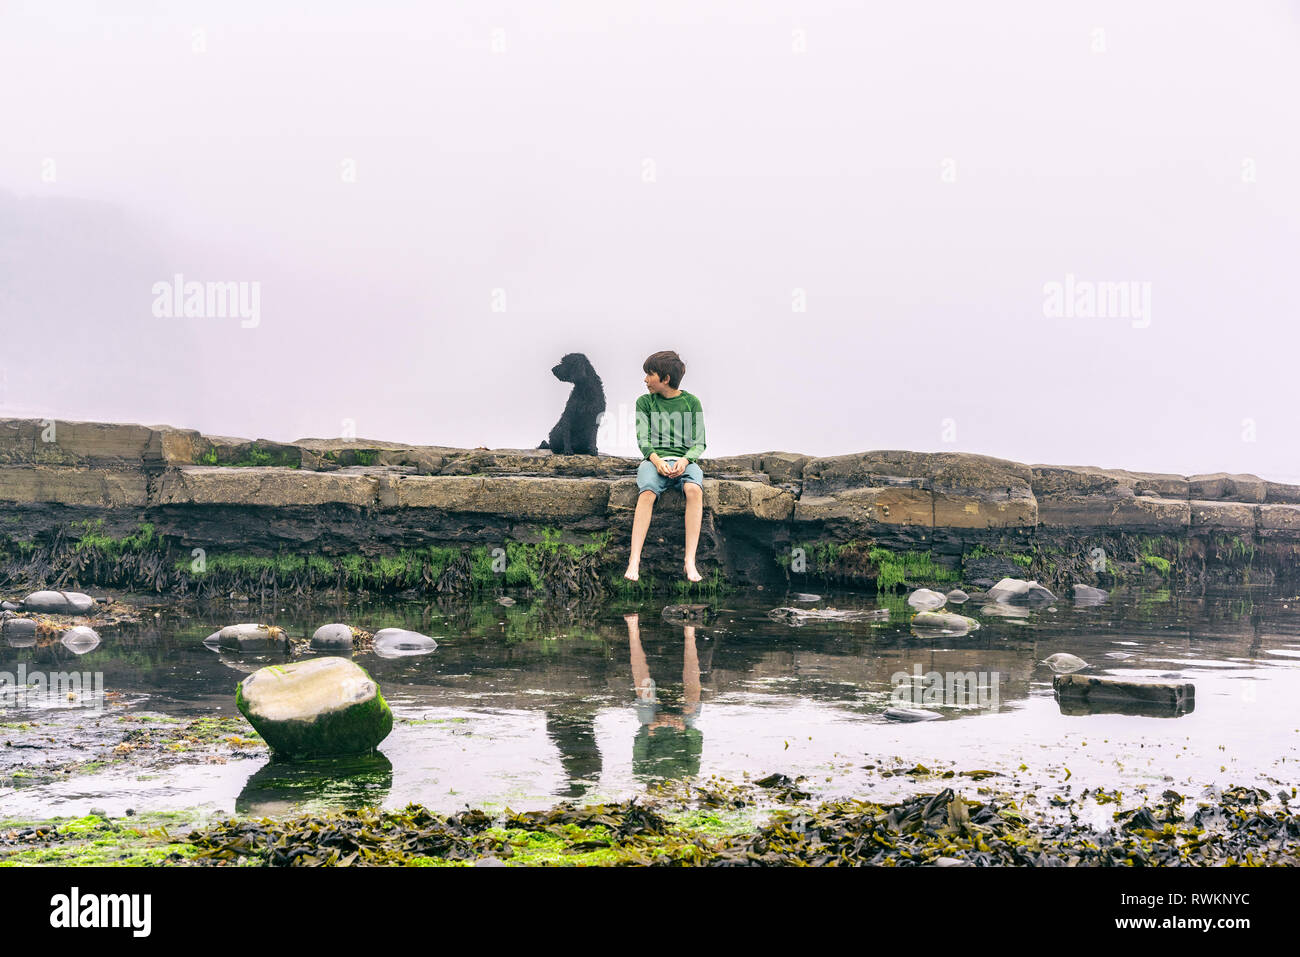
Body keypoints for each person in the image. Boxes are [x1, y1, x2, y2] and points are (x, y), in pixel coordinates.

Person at [624, 350, 707, 583]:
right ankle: (634, 560)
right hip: (654, 461)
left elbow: (699, 442)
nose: (645, 380)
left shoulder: (691, 402)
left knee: (694, 490)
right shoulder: (644, 402)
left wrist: (685, 460)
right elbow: (643, 439)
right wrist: (657, 461)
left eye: (650, 374)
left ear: (665, 378)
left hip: (684, 461)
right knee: (648, 492)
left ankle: (689, 561)